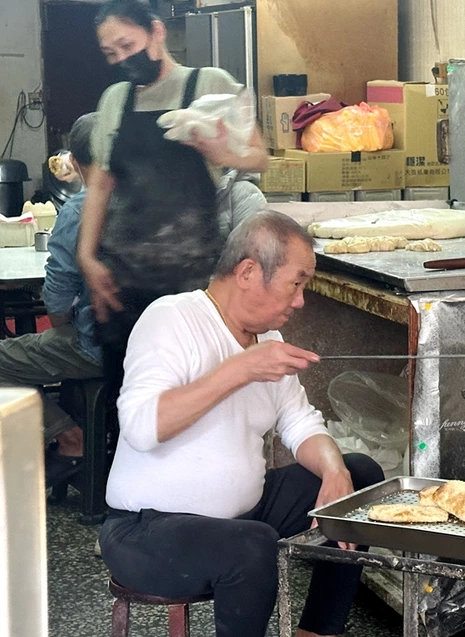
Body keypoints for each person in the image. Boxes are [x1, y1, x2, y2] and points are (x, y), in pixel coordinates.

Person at [99, 211, 384, 637]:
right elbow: (141, 428)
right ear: (248, 272)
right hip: (146, 531)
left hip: (243, 515)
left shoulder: (268, 340)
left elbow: (301, 423)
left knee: (359, 477)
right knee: (253, 545)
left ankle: (318, 631)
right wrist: (241, 369)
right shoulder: (172, 318)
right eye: (296, 283)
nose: (300, 301)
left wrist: (334, 471)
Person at [78, 0, 269, 406]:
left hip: (193, 282)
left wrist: (222, 154)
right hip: (124, 284)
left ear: (156, 32)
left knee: (197, 402)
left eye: (127, 45)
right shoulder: (114, 100)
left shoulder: (208, 84)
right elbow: (100, 185)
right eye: (110, 53)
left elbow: (259, 156)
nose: (121, 59)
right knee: (129, 404)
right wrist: (86, 257)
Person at [0, 113, 102, 487]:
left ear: (75, 160)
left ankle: (69, 437)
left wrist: (63, 327)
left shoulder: (79, 209)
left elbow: (57, 301)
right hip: (156, 341)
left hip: (99, 346)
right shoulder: (157, 199)